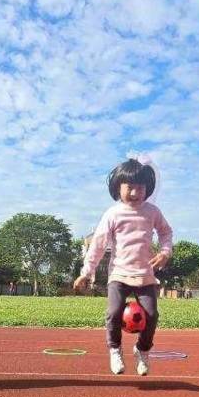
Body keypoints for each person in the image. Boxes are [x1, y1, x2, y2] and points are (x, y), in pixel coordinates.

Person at [74, 156, 173, 376]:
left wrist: (165, 252)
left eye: (141, 188)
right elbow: (98, 245)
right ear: (118, 187)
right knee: (113, 312)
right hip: (119, 274)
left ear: (147, 188)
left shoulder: (152, 211)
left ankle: (142, 350)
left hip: (145, 275)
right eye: (130, 188)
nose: (136, 193)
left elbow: (166, 232)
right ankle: (115, 349)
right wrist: (86, 273)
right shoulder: (113, 214)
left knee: (152, 314)